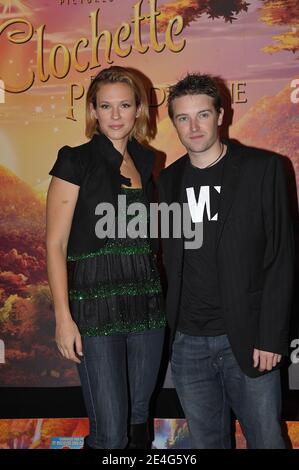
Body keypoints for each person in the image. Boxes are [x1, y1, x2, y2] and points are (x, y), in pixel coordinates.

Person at [158, 73, 294, 449]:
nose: (194, 126)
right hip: (187, 344)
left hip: (249, 339)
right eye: (183, 118)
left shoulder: (263, 169)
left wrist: (271, 336)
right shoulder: (167, 182)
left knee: (267, 440)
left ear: (221, 114)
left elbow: (281, 257)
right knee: (206, 444)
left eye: (203, 114)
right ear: (174, 123)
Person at [46, 66, 166, 449]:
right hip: (95, 309)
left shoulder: (148, 162)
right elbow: (55, 244)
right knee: (110, 434)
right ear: (93, 111)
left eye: (124, 105)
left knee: (137, 420)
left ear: (138, 111)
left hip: (147, 305)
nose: (116, 115)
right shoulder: (74, 161)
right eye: (106, 106)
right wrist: (64, 318)